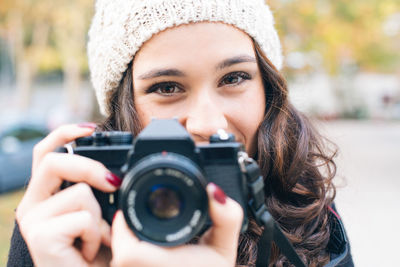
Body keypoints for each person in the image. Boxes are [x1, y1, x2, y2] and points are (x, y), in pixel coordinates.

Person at [8, 0, 354, 266]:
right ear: (121, 109)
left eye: (234, 78)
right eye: (167, 87)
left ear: (268, 88)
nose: (208, 124)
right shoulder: (69, 220)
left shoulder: (301, 203)